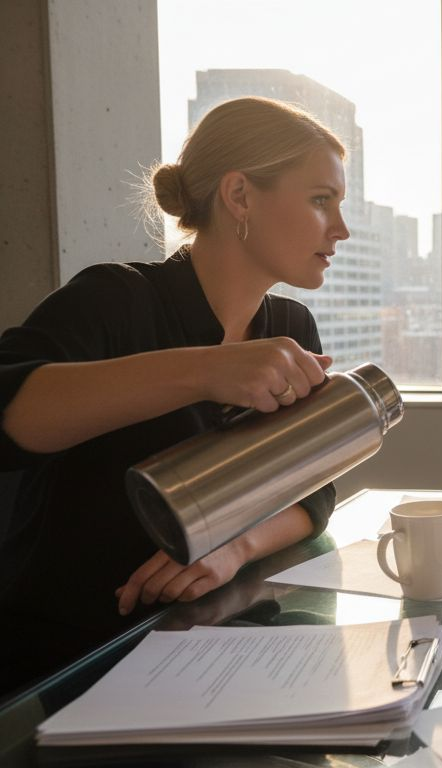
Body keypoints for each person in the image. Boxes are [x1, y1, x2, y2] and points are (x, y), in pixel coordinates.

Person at [0, 96, 348, 691]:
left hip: (217, 644)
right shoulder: (114, 300)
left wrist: (235, 549)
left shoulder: (291, 328)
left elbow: (313, 490)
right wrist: (208, 370)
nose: (340, 228)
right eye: (322, 200)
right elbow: (10, 410)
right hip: (68, 667)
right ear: (239, 196)